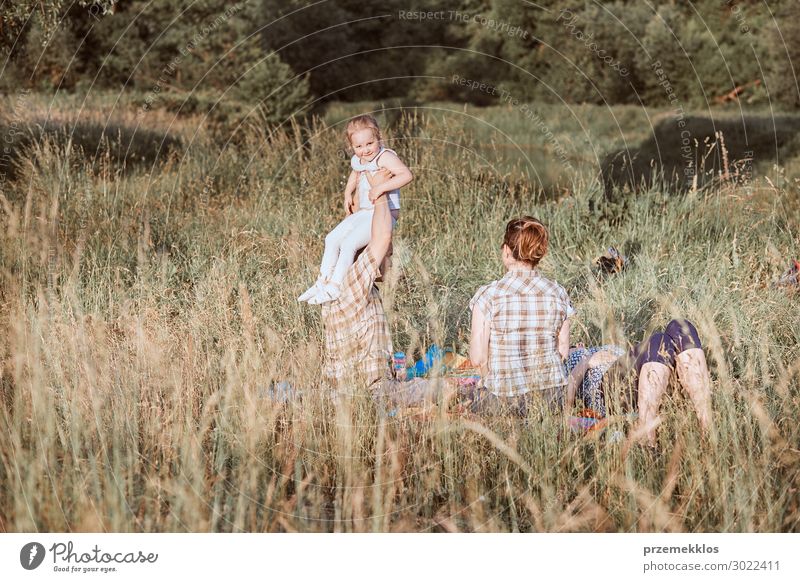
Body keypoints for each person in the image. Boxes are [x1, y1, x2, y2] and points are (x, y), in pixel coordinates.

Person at [318, 167, 436, 408]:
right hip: (369, 392)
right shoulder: (354, 279)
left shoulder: (343, 279)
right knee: (447, 388)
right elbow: (381, 237)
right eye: (388, 256)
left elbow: (360, 233)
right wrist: (379, 192)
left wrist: (360, 207)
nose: (390, 261)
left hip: (345, 389)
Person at [298, 114, 413, 305]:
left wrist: (381, 187)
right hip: (364, 213)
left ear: (379, 138)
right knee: (331, 238)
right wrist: (348, 192)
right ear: (352, 146)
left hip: (383, 214)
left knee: (349, 243)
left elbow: (406, 175)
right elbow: (356, 172)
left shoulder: (385, 157)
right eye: (359, 146)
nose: (365, 150)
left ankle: (335, 287)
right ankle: (322, 282)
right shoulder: (358, 159)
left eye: (370, 143)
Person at [467, 217, 575, 416]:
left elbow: (478, 359)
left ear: (507, 251)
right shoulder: (559, 293)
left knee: (464, 399)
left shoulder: (489, 295)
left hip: (504, 399)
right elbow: (563, 352)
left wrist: (489, 381)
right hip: (551, 398)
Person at [564, 319, 713, 445]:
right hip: (606, 389)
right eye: (572, 349)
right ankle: (647, 438)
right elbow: (570, 387)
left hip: (647, 375)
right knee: (659, 340)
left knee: (680, 326)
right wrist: (586, 361)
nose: (575, 347)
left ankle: (707, 428)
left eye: (574, 346)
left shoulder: (598, 349)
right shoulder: (575, 360)